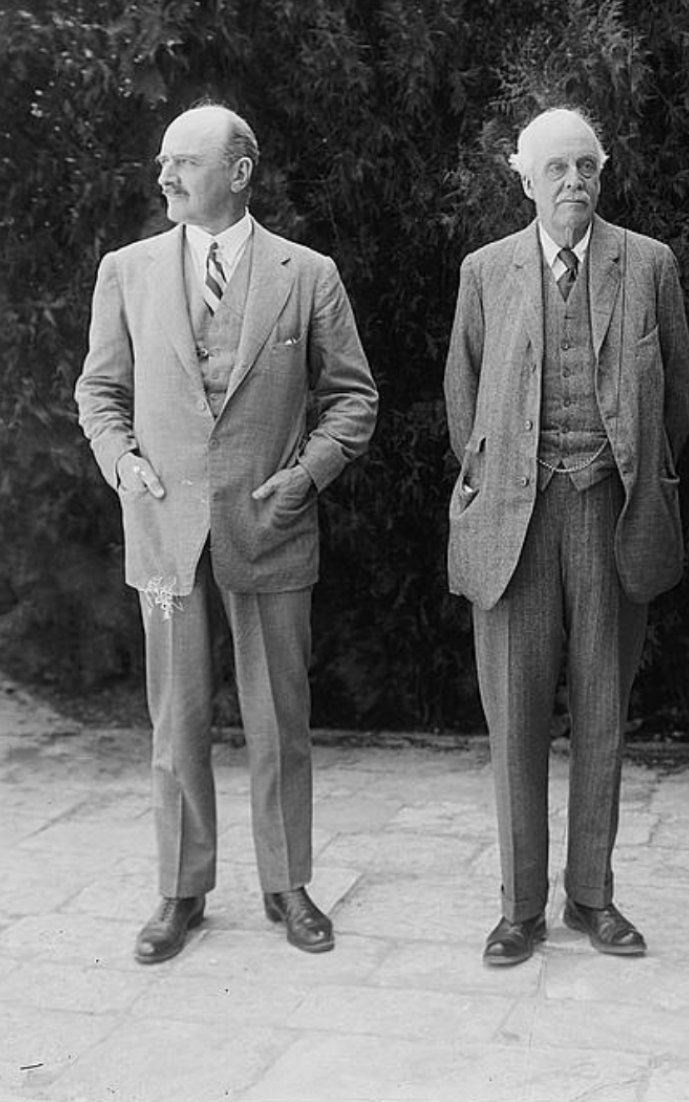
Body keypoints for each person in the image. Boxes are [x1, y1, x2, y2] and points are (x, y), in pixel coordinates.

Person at [75, 103, 378, 964]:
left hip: (272, 524)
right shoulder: (126, 271)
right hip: (165, 528)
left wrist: (306, 475)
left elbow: (354, 398)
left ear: (239, 172)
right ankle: (181, 889)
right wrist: (121, 460)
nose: (164, 176)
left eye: (184, 162)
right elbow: (99, 392)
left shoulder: (306, 273)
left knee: (280, 715)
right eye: (163, 162)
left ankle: (288, 885)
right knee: (174, 717)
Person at [444, 107, 689, 966]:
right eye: (556, 168)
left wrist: (623, 474)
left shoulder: (649, 264)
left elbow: (678, 403)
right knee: (513, 718)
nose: (574, 183)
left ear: (605, 170)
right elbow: (463, 401)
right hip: (513, 521)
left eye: (586, 165)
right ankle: (519, 908)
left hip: (611, 516)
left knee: (602, 715)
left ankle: (593, 897)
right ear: (524, 179)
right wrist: (509, 478)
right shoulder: (486, 271)